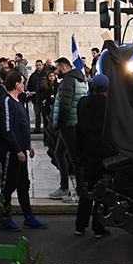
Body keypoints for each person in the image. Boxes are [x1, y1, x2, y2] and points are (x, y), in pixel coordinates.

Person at [0, 70, 47, 231]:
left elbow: (22, 125)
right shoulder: (6, 102)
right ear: (17, 85)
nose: (24, 85)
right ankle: (5, 219)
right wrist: (17, 150)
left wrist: (27, 145)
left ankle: (29, 216)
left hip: (21, 150)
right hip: (11, 151)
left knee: (23, 183)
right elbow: (8, 129)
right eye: (23, 82)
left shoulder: (17, 101)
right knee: (8, 185)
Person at [74, 73, 114, 237]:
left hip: (88, 152)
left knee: (87, 189)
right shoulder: (110, 106)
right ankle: (99, 227)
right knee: (103, 191)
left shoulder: (82, 103)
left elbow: (79, 125)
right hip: (105, 154)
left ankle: (80, 225)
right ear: (106, 88)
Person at [49, 57, 87, 203]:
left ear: (63, 68)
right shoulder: (78, 78)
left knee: (75, 159)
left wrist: (60, 123)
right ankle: (64, 188)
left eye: (57, 68)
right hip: (73, 123)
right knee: (59, 153)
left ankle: (79, 192)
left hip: (69, 125)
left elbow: (65, 103)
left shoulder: (68, 81)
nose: (55, 71)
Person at [27, 60, 48, 133]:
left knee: (44, 115)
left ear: (42, 65)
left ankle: (46, 128)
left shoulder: (46, 75)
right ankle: (37, 128)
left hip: (43, 98)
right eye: (37, 65)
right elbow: (29, 86)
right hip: (35, 98)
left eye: (40, 65)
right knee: (37, 114)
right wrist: (29, 96)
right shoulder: (33, 75)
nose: (38, 67)